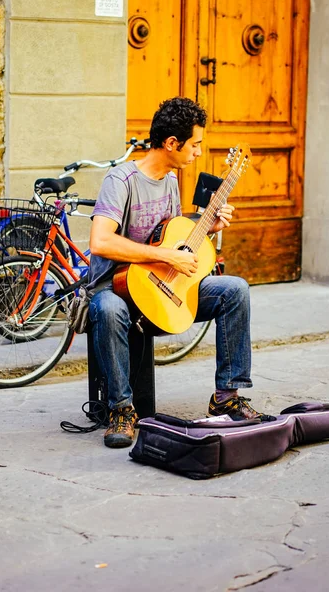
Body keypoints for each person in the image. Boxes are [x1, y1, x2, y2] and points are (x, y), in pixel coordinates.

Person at [88, 96, 265, 449]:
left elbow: (173, 236)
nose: (198, 152)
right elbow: (100, 242)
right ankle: (121, 409)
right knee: (106, 308)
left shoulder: (169, 181)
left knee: (235, 289)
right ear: (172, 143)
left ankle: (226, 396)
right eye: (195, 144)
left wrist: (207, 227)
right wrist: (167, 256)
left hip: (162, 291)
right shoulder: (120, 180)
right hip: (119, 290)